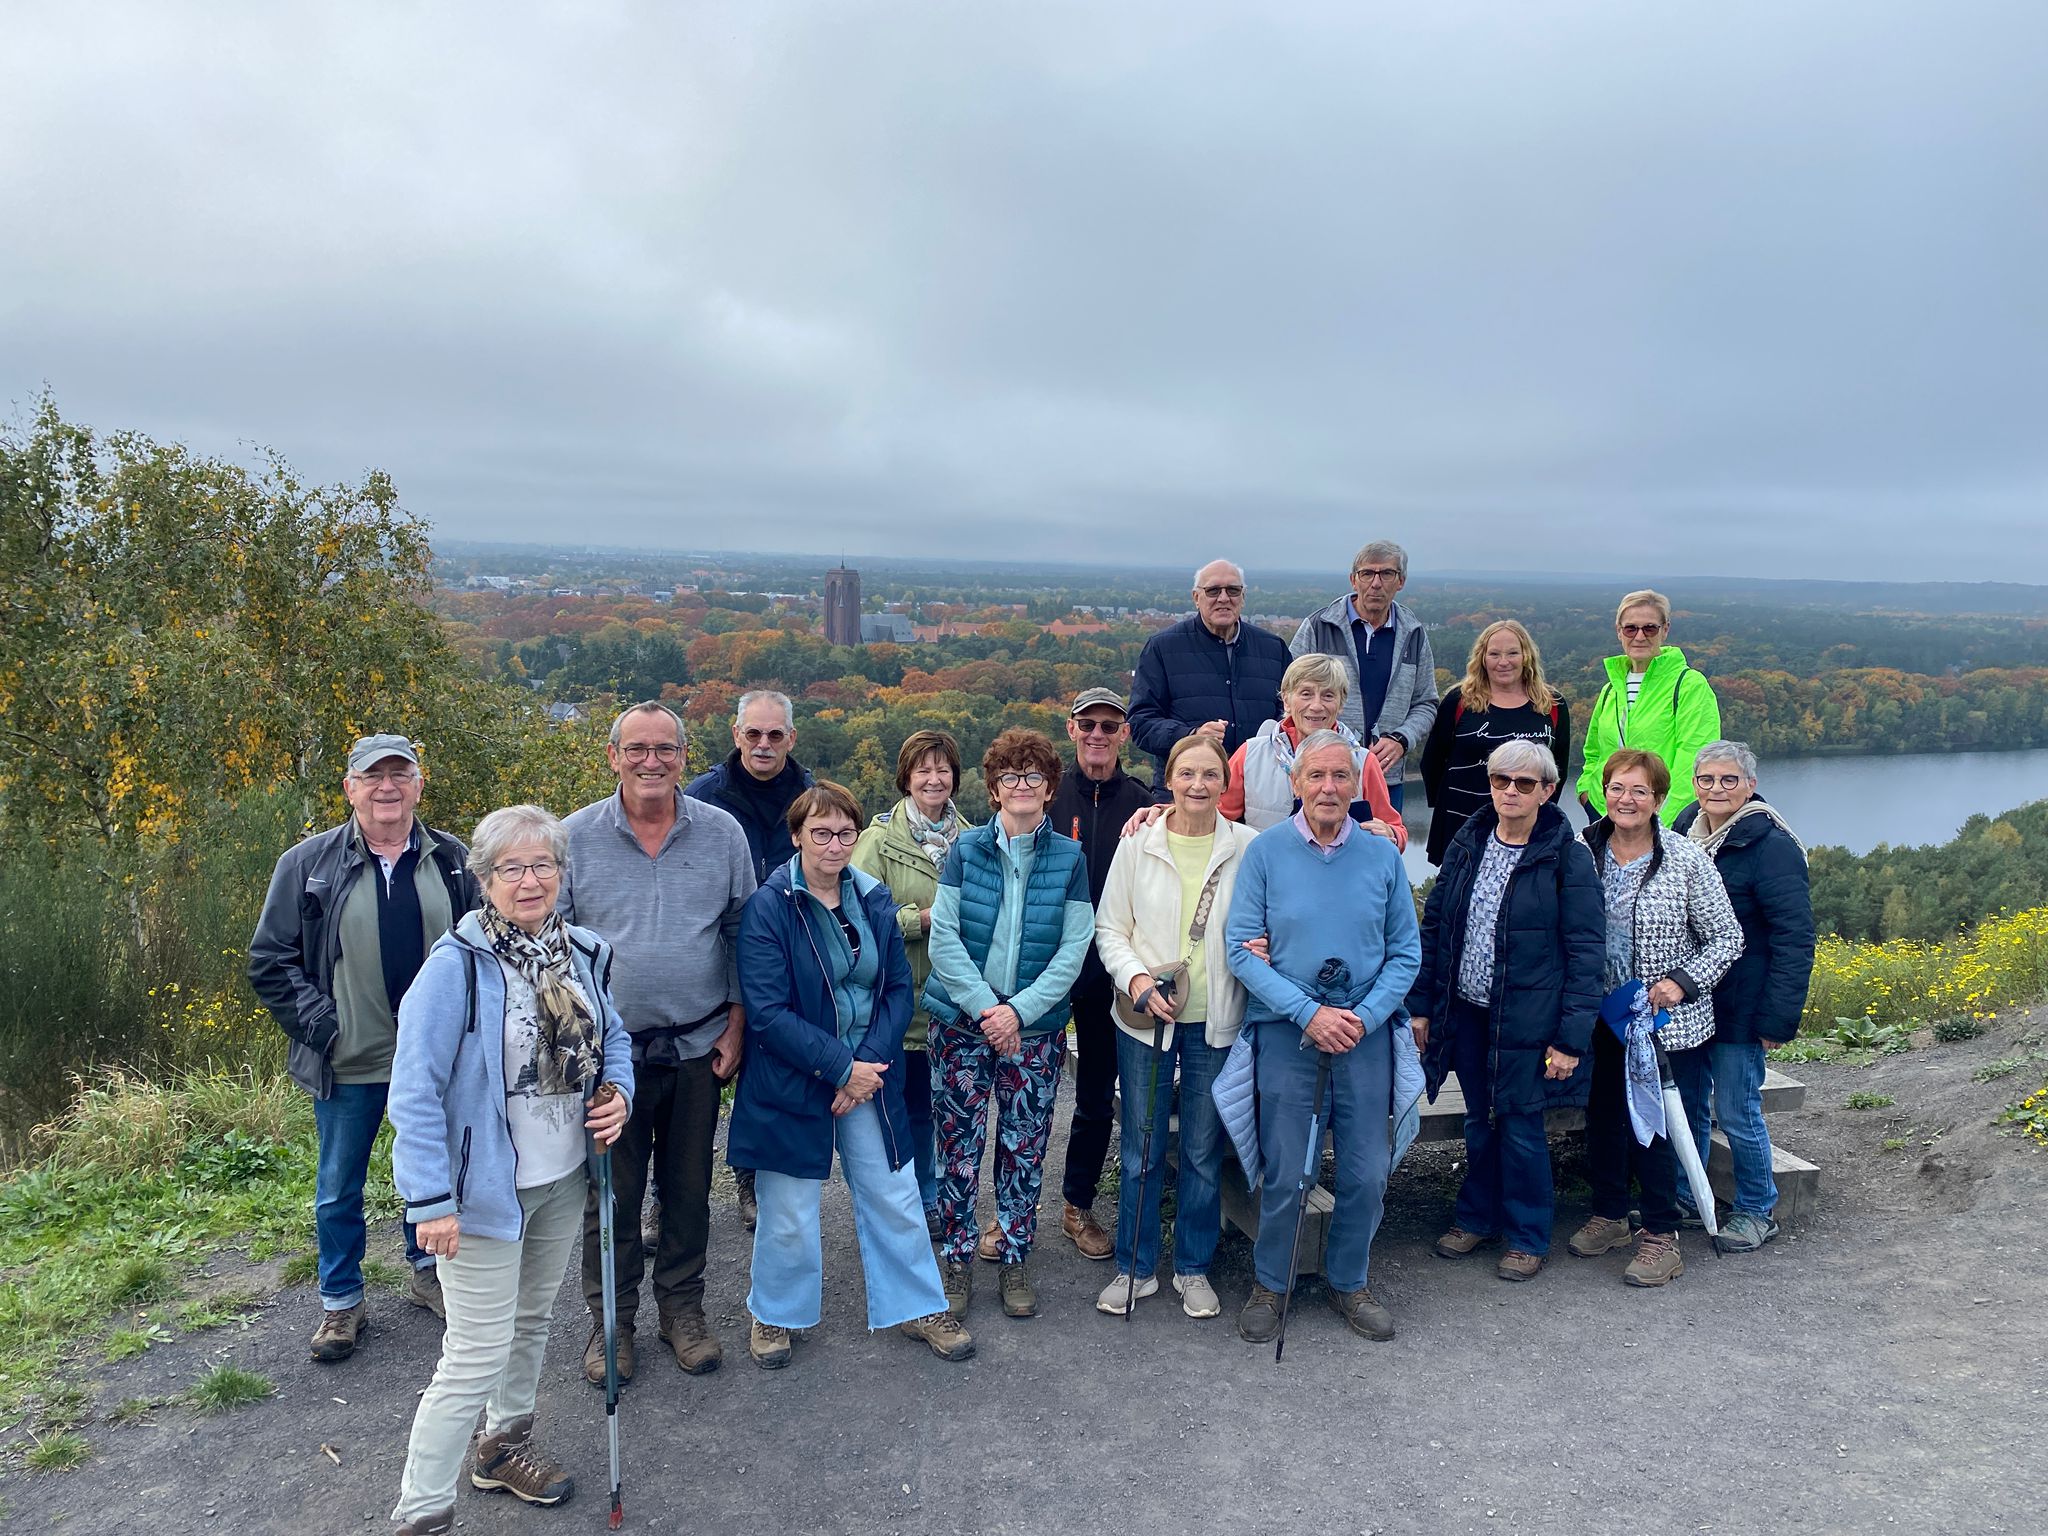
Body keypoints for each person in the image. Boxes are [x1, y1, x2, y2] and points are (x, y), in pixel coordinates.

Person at [386, 804, 634, 1536]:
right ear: (484, 878)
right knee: (472, 1355)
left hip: (562, 1179)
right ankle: (421, 1511)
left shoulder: (583, 952)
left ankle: (502, 1449)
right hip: (482, 1193)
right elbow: (415, 1091)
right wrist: (429, 1199)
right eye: (511, 868)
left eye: (544, 865)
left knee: (531, 1325)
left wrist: (617, 1094)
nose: (530, 881)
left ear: (562, 872)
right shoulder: (454, 969)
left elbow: (613, 1037)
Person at [248, 733, 480, 1362]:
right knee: (337, 1186)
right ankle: (341, 1301)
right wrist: (326, 1028)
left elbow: (485, 948)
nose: (387, 788)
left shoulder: (454, 860)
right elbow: (270, 961)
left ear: (418, 785)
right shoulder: (308, 864)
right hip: (351, 1061)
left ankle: (427, 1274)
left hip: (437, 1062)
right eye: (372, 776)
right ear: (349, 788)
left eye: (399, 775)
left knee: (430, 1173)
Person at [731, 782, 976, 1369]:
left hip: (869, 1073)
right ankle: (775, 1314)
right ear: (797, 837)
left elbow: (896, 988)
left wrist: (866, 1066)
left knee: (893, 1192)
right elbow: (766, 1011)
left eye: (845, 833)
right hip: (795, 1077)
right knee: (787, 1204)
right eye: (821, 833)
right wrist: (841, 1068)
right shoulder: (770, 906)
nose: (834, 845)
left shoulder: (872, 899)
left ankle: (920, 1305)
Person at [561, 701, 755, 1381]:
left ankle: (683, 1310)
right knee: (608, 1197)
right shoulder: (573, 839)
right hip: (608, 1060)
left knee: (689, 1189)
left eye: (665, 749)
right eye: (637, 749)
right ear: (612, 755)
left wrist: (736, 1022)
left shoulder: (722, 834)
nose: (652, 761)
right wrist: (578, 1049)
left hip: (698, 1045)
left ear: (682, 755)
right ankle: (610, 1325)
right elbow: (548, 952)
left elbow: (741, 933)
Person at [1224, 732, 1422, 1344]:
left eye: (1342, 776)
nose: (1330, 788)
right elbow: (1241, 948)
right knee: (1288, 1172)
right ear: (1296, 783)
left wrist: (1363, 1016)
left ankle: (1349, 1280)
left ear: (1357, 783)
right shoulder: (1265, 853)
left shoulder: (1382, 857)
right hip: (1289, 1034)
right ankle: (1271, 1282)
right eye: (1318, 777)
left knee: (1366, 1172)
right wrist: (1308, 1013)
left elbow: (1405, 953)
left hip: (1364, 1034)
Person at [1406, 742, 1604, 1281]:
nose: (1510, 791)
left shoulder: (1566, 855)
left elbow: (1588, 950)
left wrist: (1570, 1039)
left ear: (1547, 790)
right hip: (1467, 1014)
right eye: (1500, 781)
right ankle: (1477, 1216)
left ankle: (1527, 1236)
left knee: (1520, 1124)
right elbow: (1436, 928)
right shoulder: (1468, 842)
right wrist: (1421, 1007)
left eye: (1523, 783)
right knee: (1478, 1120)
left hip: (1530, 1020)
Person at [924, 729, 1094, 1321]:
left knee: (1024, 1147)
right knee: (958, 1145)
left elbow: (1074, 948)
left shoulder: (1069, 859)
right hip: (964, 1024)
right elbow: (943, 936)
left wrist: (1018, 1012)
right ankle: (959, 1257)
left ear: (1050, 790)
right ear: (993, 789)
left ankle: (1016, 1252)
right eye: (1010, 777)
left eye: (1034, 777)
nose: (1022, 786)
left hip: (1036, 1028)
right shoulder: (965, 851)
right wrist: (985, 1008)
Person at [1091, 735, 1253, 1319]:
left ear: (1224, 783)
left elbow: (1264, 920)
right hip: (1144, 1020)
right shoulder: (1138, 843)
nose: (1198, 784)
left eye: (1210, 774)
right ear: (1169, 778)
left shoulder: (1247, 848)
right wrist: (1135, 981)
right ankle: (1135, 1268)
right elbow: (1109, 928)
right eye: (1186, 773)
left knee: (1205, 1148)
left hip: (1216, 1018)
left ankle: (1193, 1267)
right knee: (1141, 1145)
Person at [1570, 748, 1743, 1287]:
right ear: (1604, 792)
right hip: (1601, 1016)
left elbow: (1727, 938)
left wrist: (1680, 984)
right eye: (1618, 788)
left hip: (1667, 1023)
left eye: (1640, 791)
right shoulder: (1580, 853)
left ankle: (1663, 1235)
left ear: (1660, 800)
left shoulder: (1687, 860)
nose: (1627, 799)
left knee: (1661, 1126)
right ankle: (1611, 1214)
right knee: (1604, 1118)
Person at [1670, 741, 1816, 1252]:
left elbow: (1794, 937)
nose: (1716, 790)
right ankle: (1687, 1195)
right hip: (1689, 999)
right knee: (1684, 1105)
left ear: (1750, 785)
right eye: (1706, 779)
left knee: (1736, 1110)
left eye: (1729, 780)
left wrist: (1778, 1019)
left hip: (1741, 1004)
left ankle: (1757, 1209)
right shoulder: (1685, 829)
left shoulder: (1770, 843)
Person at [686, 688, 814, 1228]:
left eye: (775, 735)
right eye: (753, 734)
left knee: (766, 1080)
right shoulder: (703, 796)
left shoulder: (811, 797)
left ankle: (751, 1182)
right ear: (736, 735)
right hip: (711, 956)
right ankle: (669, 1199)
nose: (764, 744)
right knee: (697, 1087)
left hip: (786, 960)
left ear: (791, 738)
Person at [1044, 687, 1156, 1263]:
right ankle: (1005, 1208)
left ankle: (1076, 1205)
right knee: (1023, 1094)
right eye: (1087, 724)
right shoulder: (1043, 792)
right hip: (1042, 966)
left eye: (1109, 726)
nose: (1097, 735)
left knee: (1092, 1097)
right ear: (1071, 729)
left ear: (1124, 735)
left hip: (1107, 970)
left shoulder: (1142, 803)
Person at [849, 729, 974, 1235]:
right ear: (906, 777)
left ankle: (944, 1202)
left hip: (955, 1006)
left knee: (949, 1114)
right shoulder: (877, 841)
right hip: (899, 1009)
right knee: (903, 1116)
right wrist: (919, 921)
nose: (933, 778)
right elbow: (856, 919)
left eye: (943, 769)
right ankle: (913, 1205)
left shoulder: (973, 838)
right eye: (923, 769)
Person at [1288, 541, 1438, 811]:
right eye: (1367, 573)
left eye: (1387, 574)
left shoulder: (1413, 634)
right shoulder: (1318, 627)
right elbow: (1288, 696)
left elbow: (1426, 703)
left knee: (1383, 846)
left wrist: (1402, 739)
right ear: (1353, 580)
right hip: (1324, 777)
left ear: (1400, 581)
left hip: (1385, 777)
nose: (1376, 583)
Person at [1127, 559, 1291, 801]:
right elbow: (1140, 723)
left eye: (1232, 590)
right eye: (1213, 590)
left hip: (1259, 794)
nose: (1223, 598)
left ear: (1243, 597)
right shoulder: (1163, 648)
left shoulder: (1273, 649)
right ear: (1196, 597)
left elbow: (1290, 713)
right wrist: (1191, 735)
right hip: (1188, 794)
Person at [1418, 619, 1571, 866]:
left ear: (1526, 656)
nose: (1503, 662)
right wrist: (1449, 805)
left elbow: (1558, 769)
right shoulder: (1460, 700)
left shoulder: (1552, 704)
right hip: (1461, 824)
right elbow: (1433, 759)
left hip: (1525, 829)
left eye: (1512, 653)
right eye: (1494, 654)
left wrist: (1540, 812)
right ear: (1482, 658)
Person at [1223, 652, 1405, 845]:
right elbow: (1217, 821)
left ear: (1341, 703)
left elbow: (1395, 830)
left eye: (1328, 695)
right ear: (1286, 700)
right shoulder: (1249, 755)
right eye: (1306, 694)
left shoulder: (1363, 761)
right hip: (1267, 873)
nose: (1316, 706)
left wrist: (1390, 833)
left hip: (1340, 873)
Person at [1575, 590, 1722, 828]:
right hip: (1605, 816)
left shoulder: (1689, 685)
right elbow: (1593, 752)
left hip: (1662, 822)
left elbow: (1696, 762)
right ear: (1619, 632)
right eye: (1630, 628)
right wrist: (1586, 794)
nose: (1640, 636)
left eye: (1650, 628)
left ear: (1665, 630)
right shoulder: (1611, 690)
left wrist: (1661, 820)